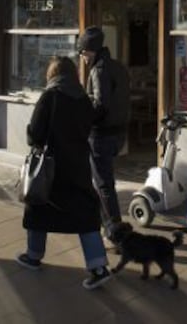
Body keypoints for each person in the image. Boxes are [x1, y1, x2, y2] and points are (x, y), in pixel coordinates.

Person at [16, 55, 112, 290]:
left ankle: (34, 255)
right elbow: (89, 124)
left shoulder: (50, 96)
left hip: (50, 167)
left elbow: (35, 133)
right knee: (85, 214)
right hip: (77, 165)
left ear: (52, 74)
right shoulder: (82, 99)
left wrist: (33, 135)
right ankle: (98, 267)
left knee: (38, 205)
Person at [77, 26, 130, 240]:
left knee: (103, 184)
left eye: (82, 52)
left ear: (90, 50)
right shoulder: (118, 67)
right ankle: (103, 221)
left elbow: (100, 105)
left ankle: (114, 230)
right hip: (118, 133)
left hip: (101, 134)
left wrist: (84, 119)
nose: (81, 57)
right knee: (104, 180)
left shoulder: (98, 70)